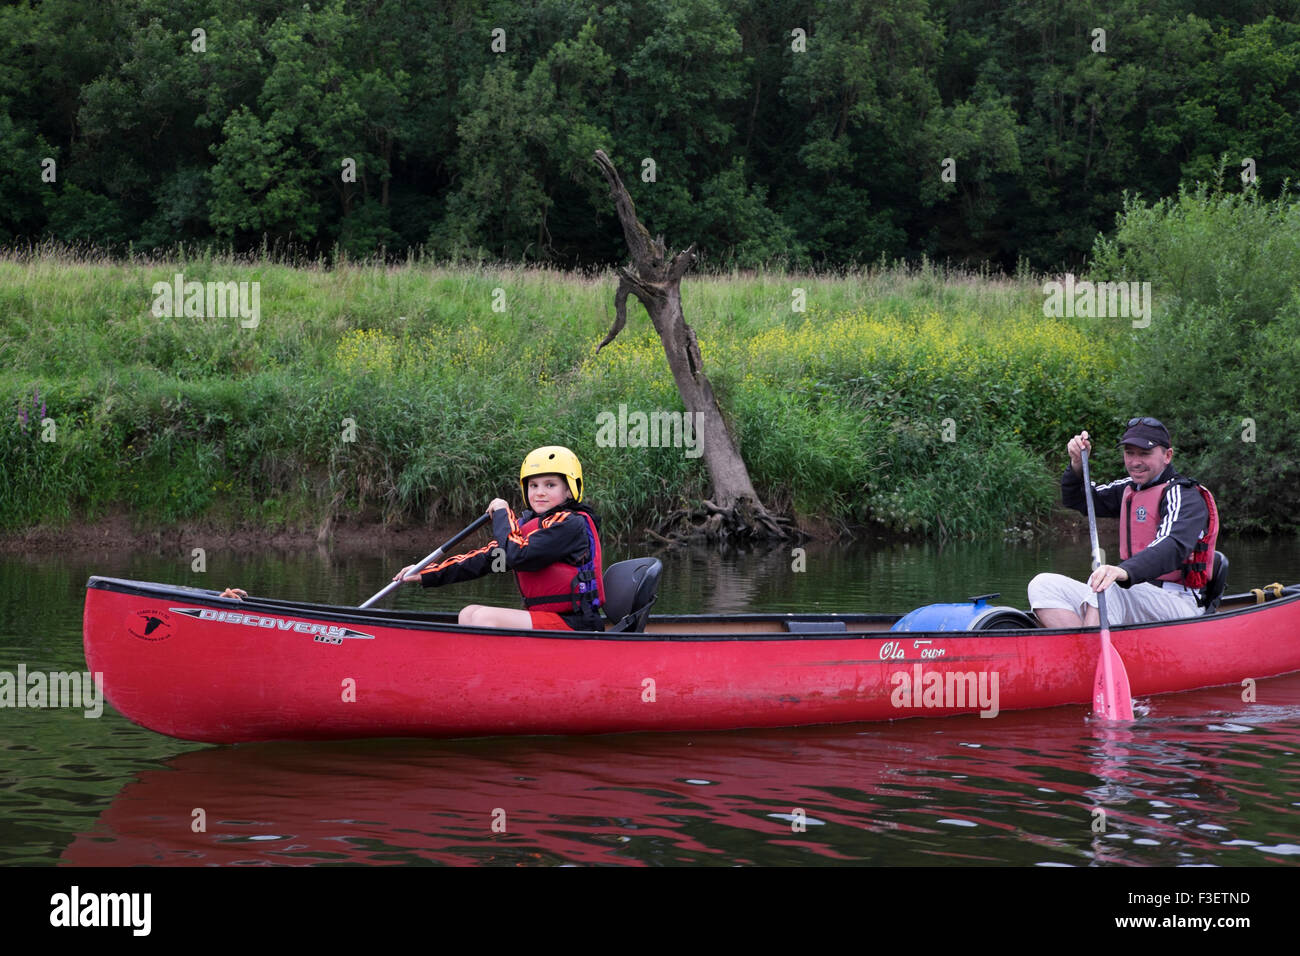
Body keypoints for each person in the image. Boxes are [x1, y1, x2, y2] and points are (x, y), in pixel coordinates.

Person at [1028, 417, 1218, 628]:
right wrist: (1076, 465)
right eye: (1129, 453)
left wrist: (1124, 571)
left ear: (1167, 456)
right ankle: (1078, 650)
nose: (1135, 462)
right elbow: (1081, 499)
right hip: (1131, 594)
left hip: (1178, 603)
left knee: (1109, 585)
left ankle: (1089, 654)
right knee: (1043, 585)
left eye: (1145, 454)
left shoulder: (1185, 495)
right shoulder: (1129, 488)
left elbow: (1172, 545)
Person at [392, 445, 606, 631]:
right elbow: (486, 561)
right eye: (533, 485)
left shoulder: (570, 524)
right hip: (547, 619)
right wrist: (427, 572)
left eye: (550, 485)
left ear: (569, 491)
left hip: (576, 623)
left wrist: (503, 514)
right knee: (468, 613)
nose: (540, 492)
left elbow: (518, 555)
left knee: (483, 618)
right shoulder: (528, 528)